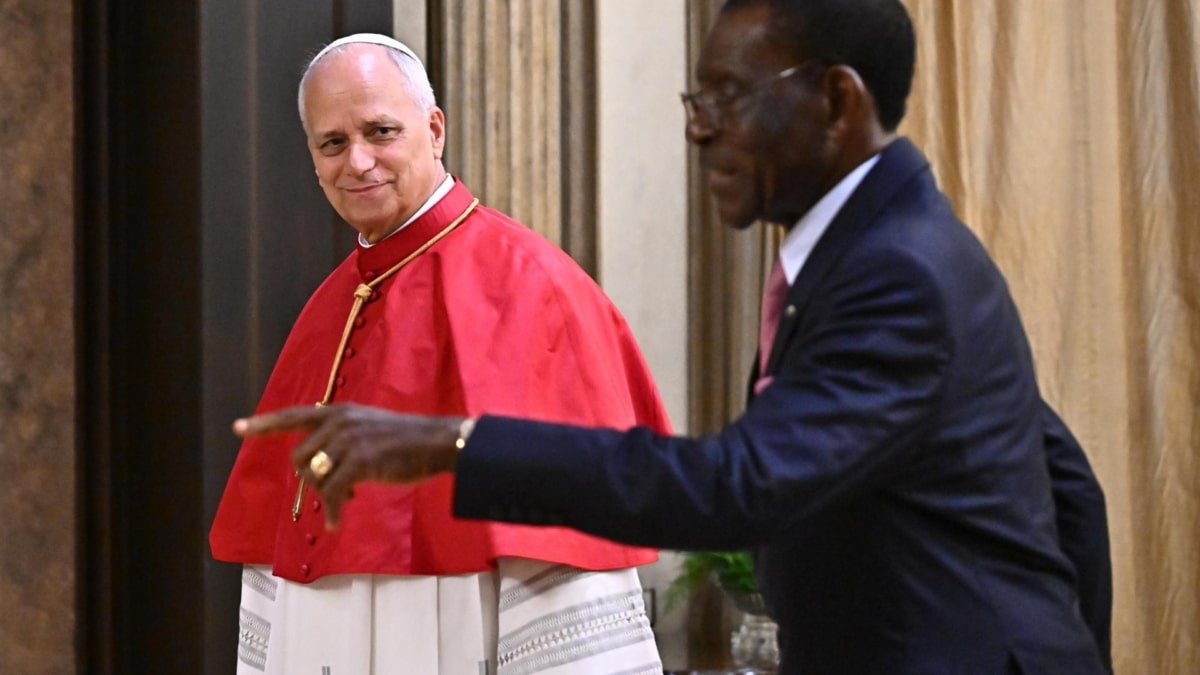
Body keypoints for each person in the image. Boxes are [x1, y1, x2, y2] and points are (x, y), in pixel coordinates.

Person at [234, 3, 1113, 673]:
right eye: (331, 141)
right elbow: (1063, 481)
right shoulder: (870, 253)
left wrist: (448, 443)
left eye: (729, 97)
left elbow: (737, 485)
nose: (699, 125)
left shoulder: (896, 270)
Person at [208, 33, 671, 675]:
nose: (359, 162)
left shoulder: (532, 285)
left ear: (434, 129)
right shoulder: (329, 306)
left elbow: (564, 544)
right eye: (333, 143)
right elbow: (273, 553)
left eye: (381, 131)